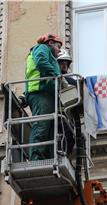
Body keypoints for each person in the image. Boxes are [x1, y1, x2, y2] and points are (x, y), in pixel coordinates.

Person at [25, 33, 63, 161]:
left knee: (47, 128)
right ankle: (36, 158)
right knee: (41, 126)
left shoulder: (47, 53)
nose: (59, 50)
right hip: (41, 93)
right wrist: (55, 76)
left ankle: (44, 157)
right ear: (50, 43)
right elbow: (41, 61)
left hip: (45, 93)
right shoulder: (42, 48)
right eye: (58, 46)